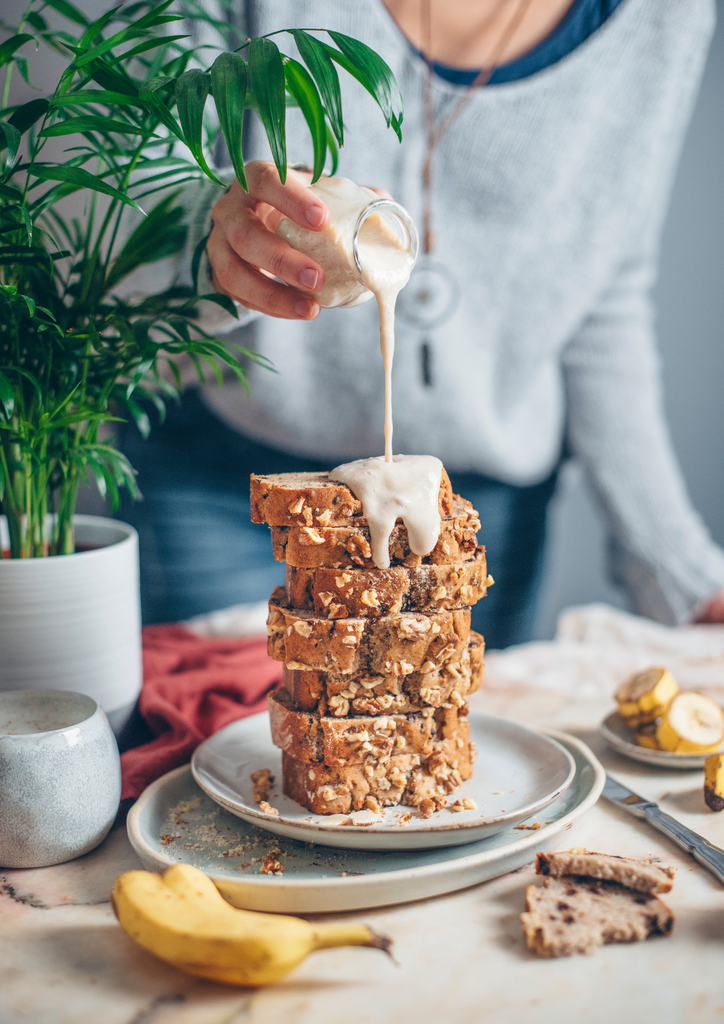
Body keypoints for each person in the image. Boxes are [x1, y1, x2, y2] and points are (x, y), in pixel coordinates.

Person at [119, 0, 724, 648]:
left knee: (445, 740)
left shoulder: (663, 16)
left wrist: (677, 568)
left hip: (474, 505)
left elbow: (602, 295)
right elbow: (120, 216)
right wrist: (210, 242)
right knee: (238, 742)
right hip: (228, 480)